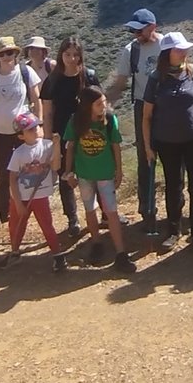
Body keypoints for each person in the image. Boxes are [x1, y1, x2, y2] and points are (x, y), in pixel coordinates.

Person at [142, 31, 193, 253]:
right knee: (173, 186)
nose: (184, 52)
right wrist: (148, 147)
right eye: (179, 49)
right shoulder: (156, 79)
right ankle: (174, 230)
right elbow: (146, 116)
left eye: (185, 49)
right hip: (167, 142)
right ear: (167, 53)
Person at [64, 87, 137, 273]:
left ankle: (121, 253)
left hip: (105, 173)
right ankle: (96, 243)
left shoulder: (109, 120)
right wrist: (68, 172)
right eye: (98, 104)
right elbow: (70, 146)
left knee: (111, 211)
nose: (103, 106)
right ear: (87, 106)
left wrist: (119, 171)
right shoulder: (76, 121)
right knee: (90, 209)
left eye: (104, 102)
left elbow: (116, 146)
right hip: (84, 173)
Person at [42, 37, 100, 240]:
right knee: (65, 175)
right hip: (61, 134)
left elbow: (100, 105)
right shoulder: (52, 80)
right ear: (61, 55)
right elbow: (47, 112)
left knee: (95, 172)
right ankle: (72, 219)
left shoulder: (89, 76)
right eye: (68, 54)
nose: (72, 58)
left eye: (76, 54)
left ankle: (104, 214)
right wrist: (48, 140)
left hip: (88, 132)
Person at [112, 8, 162, 236]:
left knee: (173, 158)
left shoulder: (166, 45)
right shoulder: (130, 50)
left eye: (139, 30)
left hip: (168, 106)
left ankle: (175, 211)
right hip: (142, 107)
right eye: (133, 31)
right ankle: (147, 212)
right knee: (145, 159)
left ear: (153, 27)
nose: (135, 34)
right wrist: (103, 105)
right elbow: (121, 83)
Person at [0, 36, 44, 225]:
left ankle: (26, 208)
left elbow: (36, 100)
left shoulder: (26, 72)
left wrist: (39, 125)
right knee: (3, 172)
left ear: (16, 53)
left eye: (9, 52)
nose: (6, 56)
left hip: (23, 131)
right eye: (2, 54)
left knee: (26, 169)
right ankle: (1, 213)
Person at [0, 112, 67, 272]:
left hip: (40, 195)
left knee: (47, 225)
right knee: (16, 226)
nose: (36, 130)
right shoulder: (19, 153)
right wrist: (17, 202)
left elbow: (56, 166)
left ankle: (58, 255)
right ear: (21, 136)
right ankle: (15, 252)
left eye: (37, 126)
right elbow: (12, 179)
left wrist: (57, 145)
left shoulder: (48, 145)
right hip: (20, 196)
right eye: (30, 129)